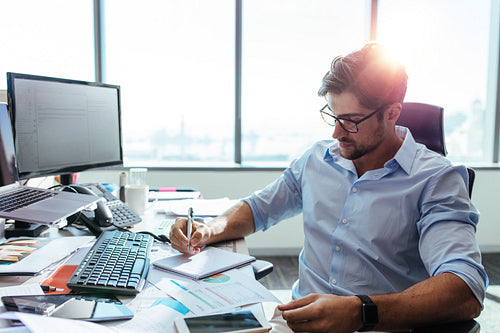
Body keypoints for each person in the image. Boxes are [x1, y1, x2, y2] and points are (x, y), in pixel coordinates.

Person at [169, 42, 488, 333]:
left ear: (392, 113)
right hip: (295, 323)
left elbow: (465, 289)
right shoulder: (317, 159)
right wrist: (208, 229)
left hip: (377, 327)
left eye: (350, 120)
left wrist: (359, 311)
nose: (336, 133)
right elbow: (257, 208)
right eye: (332, 116)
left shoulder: (436, 180)